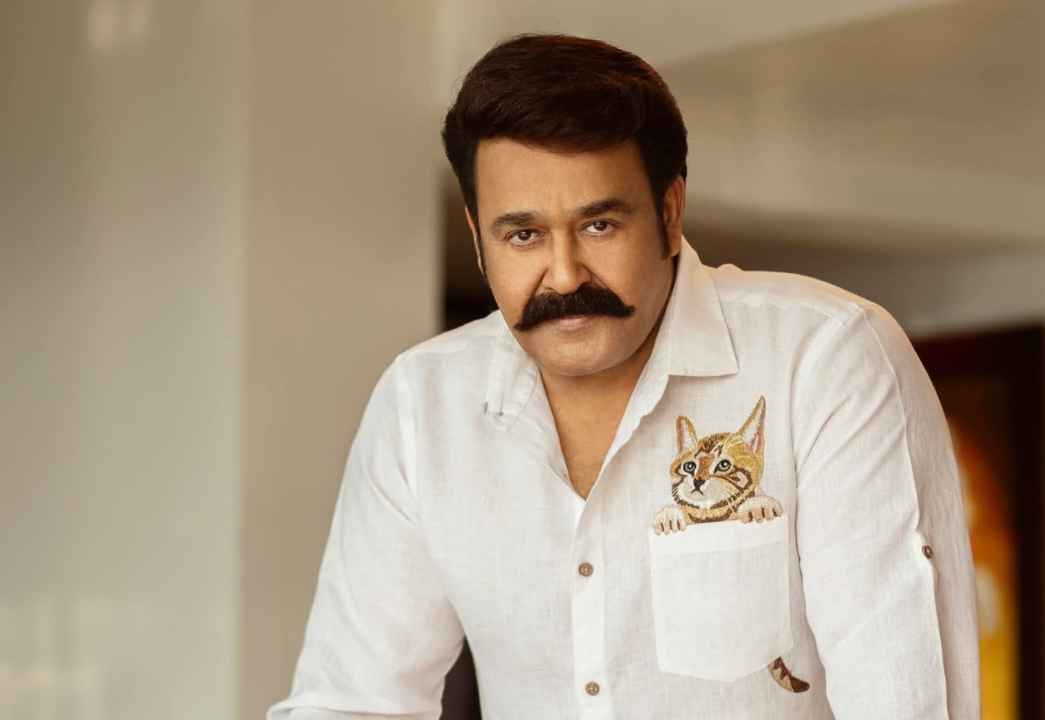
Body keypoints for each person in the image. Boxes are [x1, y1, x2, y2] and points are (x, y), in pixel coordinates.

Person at [268, 33, 979, 720]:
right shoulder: (422, 404)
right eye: (523, 235)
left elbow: (902, 700)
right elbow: (353, 703)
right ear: (478, 239)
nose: (564, 275)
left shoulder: (824, 359)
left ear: (669, 213)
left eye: (599, 225)